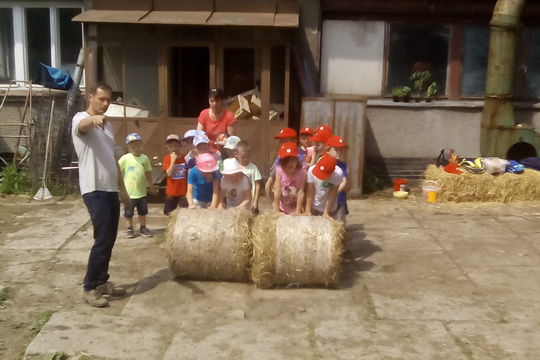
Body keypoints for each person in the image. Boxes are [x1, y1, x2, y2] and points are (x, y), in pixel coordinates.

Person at [71, 82, 126, 307]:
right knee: (101, 239)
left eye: (108, 100)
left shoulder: (108, 127)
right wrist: (92, 119)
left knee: (110, 238)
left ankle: (102, 282)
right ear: (90, 97)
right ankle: (90, 287)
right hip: (94, 189)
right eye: (101, 99)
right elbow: (82, 126)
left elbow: (113, 157)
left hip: (110, 189)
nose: (105, 104)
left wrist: (124, 189)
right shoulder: (80, 118)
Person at [118, 133, 156, 238]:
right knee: (128, 212)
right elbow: (117, 171)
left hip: (142, 192)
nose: (136, 148)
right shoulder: (125, 159)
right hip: (129, 193)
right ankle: (129, 229)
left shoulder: (145, 159)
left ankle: (143, 227)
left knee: (142, 211)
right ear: (128, 147)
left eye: (138, 145)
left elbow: (148, 173)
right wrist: (119, 188)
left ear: (141, 145)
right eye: (132, 146)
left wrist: (151, 185)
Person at [305, 154, 344, 221]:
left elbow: (333, 193)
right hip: (315, 206)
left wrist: (326, 212)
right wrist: (308, 210)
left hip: (330, 207)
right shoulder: (311, 171)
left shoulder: (338, 174)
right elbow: (310, 191)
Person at [272, 142, 306, 215]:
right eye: (286, 161)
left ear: (297, 160)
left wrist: (298, 210)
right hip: (282, 207)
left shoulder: (302, 172)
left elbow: (301, 191)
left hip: (295, 207)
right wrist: (276, 210)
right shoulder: (280, 171)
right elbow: (277, 190)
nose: (290, 163)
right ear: (282, 161)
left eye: (292, 160)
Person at [264, 127, 298, 201]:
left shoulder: (302, 155)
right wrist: (271, 202)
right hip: (284, 196)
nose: (282, 144)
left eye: (285, 141)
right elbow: (269, 182)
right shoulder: (280, 158)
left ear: (295, 141)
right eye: (281, 141)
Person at [325, 135, 350, 222]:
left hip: (339, 199)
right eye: (336, 149)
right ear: (328, 150)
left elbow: (344, 183)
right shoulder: (322, 164)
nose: (339, 152)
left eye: (341, 150)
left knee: (339, 225)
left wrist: (333, 194)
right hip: (324, 200)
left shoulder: (343, 165)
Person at [162, 134, 188, 215]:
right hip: (172, 192)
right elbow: (169, 173)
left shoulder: (185, 158)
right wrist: (173, 161)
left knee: (184, 214)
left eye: (175, 146)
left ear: (180, 146)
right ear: (167, 147)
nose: (173, 148)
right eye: (170, 146)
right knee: (169, 213)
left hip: (183, 192)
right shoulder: (167, 158)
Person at [236, 140, 262, 214]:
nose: (245, 159)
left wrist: (255, 201)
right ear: (236, 154)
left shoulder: (253, 168)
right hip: (236, 200)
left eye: (247, 157)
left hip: (249, 201)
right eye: (242, 157)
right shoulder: (234, 167)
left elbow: (258, 184)